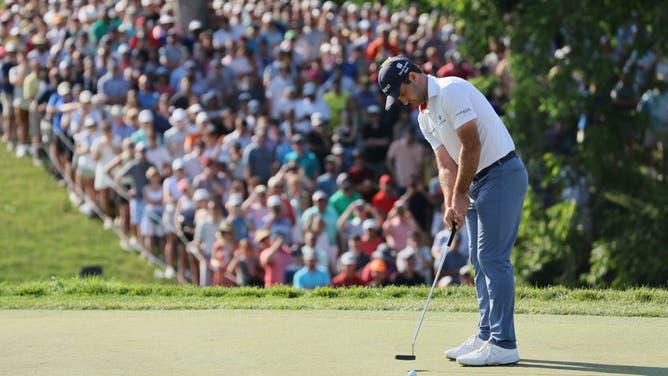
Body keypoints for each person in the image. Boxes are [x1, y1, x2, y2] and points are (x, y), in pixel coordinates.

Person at [378, 56, 528, 366]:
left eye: (401, 93)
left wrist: (460, 193)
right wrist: (451, 202)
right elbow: (445, 164)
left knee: (492, 258)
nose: (403, 102)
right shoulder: (424, 117)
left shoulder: (451, 90)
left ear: (413, 78)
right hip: (473, 181)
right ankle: (486, 334)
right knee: (477, 258)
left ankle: (504, 343)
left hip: (501, 174)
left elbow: (470, 146)